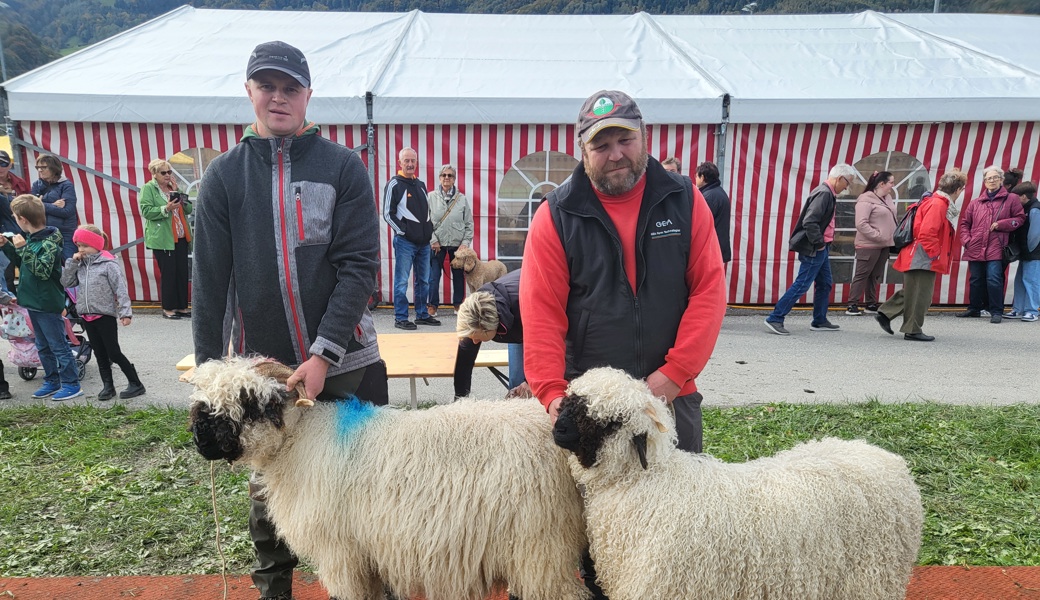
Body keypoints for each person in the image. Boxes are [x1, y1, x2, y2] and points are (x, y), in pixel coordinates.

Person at [192, 40, 388, 600]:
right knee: (270, 483)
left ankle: (374, 582)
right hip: (265, 374)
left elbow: (358, 268)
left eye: (290, 87)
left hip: (347, 363)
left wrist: (324, 353)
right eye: (267, 85)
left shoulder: (343, 166)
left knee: (365, 480)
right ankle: (274, 587)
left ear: (308, 95)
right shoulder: (224, 178)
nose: (278, 97)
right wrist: (212, 373)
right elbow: (209, 281)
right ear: (249, 90)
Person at [521, 89, 726, 600]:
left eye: (624, 139)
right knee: (599, 541)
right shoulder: (556, 214)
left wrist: (673, 375)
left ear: (644, 137)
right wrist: (551, 394)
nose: (616, 153)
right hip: (593, 412)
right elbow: (541, 314)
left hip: (670, 399)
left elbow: (709, 288)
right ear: (582, 151)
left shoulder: (683, 198)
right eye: (601, 144)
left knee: (677, 535)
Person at [0, 194, 82, 400]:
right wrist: (8, 247)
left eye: (15, 217)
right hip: (32, 302)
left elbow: (42, 271)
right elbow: (23, 264)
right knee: (42, 346)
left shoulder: (49, 242)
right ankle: (52, 380)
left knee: (58, 346)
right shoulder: (31, 239)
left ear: (23, 219)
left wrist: (22, 248)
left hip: (46, 303)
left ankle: (72, 384)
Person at [764, 164, 856, 335]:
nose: (847, 187)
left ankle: (819, 320)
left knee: (824, 283)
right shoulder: (824, 193)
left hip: (820, 246)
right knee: (802, 284)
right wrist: (819, 243)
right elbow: (810, 221)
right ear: (839, 178)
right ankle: (775, 318)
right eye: (847, 182)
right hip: (816, 247)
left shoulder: (826, 192)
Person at [875, 170, 966, 342]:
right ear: (958, 190)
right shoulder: (939, 204)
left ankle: (886, 313)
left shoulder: (934, 201)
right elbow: (927, 232)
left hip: (917, 253)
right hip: (923, 254)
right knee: (920, 295)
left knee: (914, 290)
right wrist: (935, 254)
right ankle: (912, 329)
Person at [60, 224, 145, 399]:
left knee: (113, 351)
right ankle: (108, 385)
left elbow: (120, 288)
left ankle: (135, 383)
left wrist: (125, 312)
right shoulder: (80, 265)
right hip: (86, 315)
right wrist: (72, 263)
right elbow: (67, 283)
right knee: (99, 352)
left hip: (104, 315)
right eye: (79, 245)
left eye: (85, 245)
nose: (81, 250)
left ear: (96, 245)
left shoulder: (108, 265)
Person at [957, 165, 1024, 323]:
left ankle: (996, 311)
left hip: (997, 246)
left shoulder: (1011, 199)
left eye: (995, 177)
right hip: (975, 245)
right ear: (984, 181)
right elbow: (965, 224)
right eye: (988, 178)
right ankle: (974, 308)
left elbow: (1020, 219)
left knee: (994, 278)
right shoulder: (975, 203)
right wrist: (966, 240)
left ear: (1001, 180)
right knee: (975, 279)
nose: (992, 180)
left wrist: (1002, 224)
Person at [383, 147, 440, 330]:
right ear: (400, 163)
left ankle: (422, 314)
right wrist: (404, 231)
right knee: (401, 281)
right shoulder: (394, 184)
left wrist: (428, 231)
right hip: (405, 243)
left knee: (423, 280)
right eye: (406, 161)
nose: (410, 164)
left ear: (416, 163)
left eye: (412, 161)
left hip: (424, 243)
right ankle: (401, 317)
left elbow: (427, 212)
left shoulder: (421, 185)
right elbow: (387, 214)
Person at [454, 268, 525, 399]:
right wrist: (460, 401)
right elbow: (464, 362)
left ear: (491, 327)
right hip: (515, 322)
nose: (474, 342)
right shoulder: (475, 313)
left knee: (532, 385)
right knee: (517, 384)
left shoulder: (524, 307)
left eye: (477, 338)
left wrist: (531, 381)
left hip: (538, 310)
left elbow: (550, 345)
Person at [138, 159, 192, 319]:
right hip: (163, 238)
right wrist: (165, 208)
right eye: (164, 172)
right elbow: (146, 211)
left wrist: (179, 194)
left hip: (181, 236)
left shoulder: (172, 188)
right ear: (154, 174)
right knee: (169, 273)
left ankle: (182, 306)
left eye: (169, 172)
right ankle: (168, 308)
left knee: (182, 272)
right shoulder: (148, 189)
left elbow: (188, 209)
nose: (168, 175)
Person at [846, 171, 897, 315]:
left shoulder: (887, 198)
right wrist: (878, 235)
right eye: (891, 183)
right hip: (868, 244)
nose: (892, 186)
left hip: (885, 244)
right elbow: (861, 224)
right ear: (882, 184)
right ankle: (852, 304)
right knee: (862, 274)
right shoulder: (865, 199)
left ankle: (871, 303)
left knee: (875, 275)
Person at [427, 163, 473, 317]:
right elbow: (425, 221)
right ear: (440, 178)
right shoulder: (431, 197)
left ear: (454, 179)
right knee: (434, 276)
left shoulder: (462, 199)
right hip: (436, 244)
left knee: (458, 276)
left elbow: (469, 223)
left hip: (457, 244)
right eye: (444, 175)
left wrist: (465, 244)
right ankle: (432, 305)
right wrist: (433, 240)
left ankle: (458, 304)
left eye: (450, 175)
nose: (447, 178)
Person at [30, 154, 78, 262]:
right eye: (38, 168)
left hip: (65, 234)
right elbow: (31, 208)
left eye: (44, 167)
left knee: (69, 264)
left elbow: (67, 211)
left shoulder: (66, 185)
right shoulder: (36, 185)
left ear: (54, 168)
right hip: (43, 232)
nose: (40, 170)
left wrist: (41, 203)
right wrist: (52, 205)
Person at [1004, 181, 1040, 322]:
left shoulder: (1035, 209)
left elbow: (1035, 235)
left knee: (1031, 281)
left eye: (1017, 197)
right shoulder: (1027, 208)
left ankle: (1032, 310)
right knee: (1020, 280)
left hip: (1033, 253)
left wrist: (1028, 250)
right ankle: (1018, 309)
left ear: (1024, 196)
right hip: (1027, 253)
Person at [0, 150, 29, 293]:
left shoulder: (19, 182)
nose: (0, 168)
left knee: (27, 269)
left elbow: (28, 204)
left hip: (21, 232)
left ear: (10, 165)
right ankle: (10, 308)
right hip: (2, 236)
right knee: (7, 274)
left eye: (3, 164)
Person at [695, 161, 732, 264]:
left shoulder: (709, 197)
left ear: (702, 177)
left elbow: (701, 225)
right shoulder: (718, 192)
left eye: (696, 176)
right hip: (719, 247)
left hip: (712, 249)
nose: (695, 179)